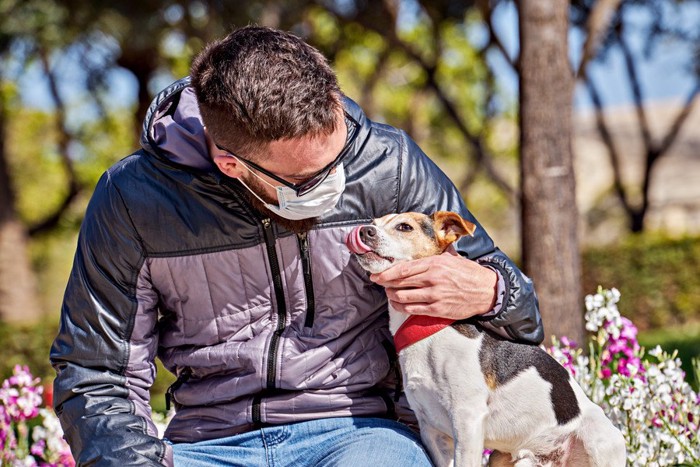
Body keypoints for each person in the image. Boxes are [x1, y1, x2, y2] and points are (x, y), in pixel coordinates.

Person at [50, 26, 543, 466]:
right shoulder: (132, 199)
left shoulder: (389, 164)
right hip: (207, 445)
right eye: (311, 179)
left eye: (340, 152)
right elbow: (96, 372)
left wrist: (491, 291)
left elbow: (523, 319)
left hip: (363, 438)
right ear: (231, 164)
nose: (337, 180)